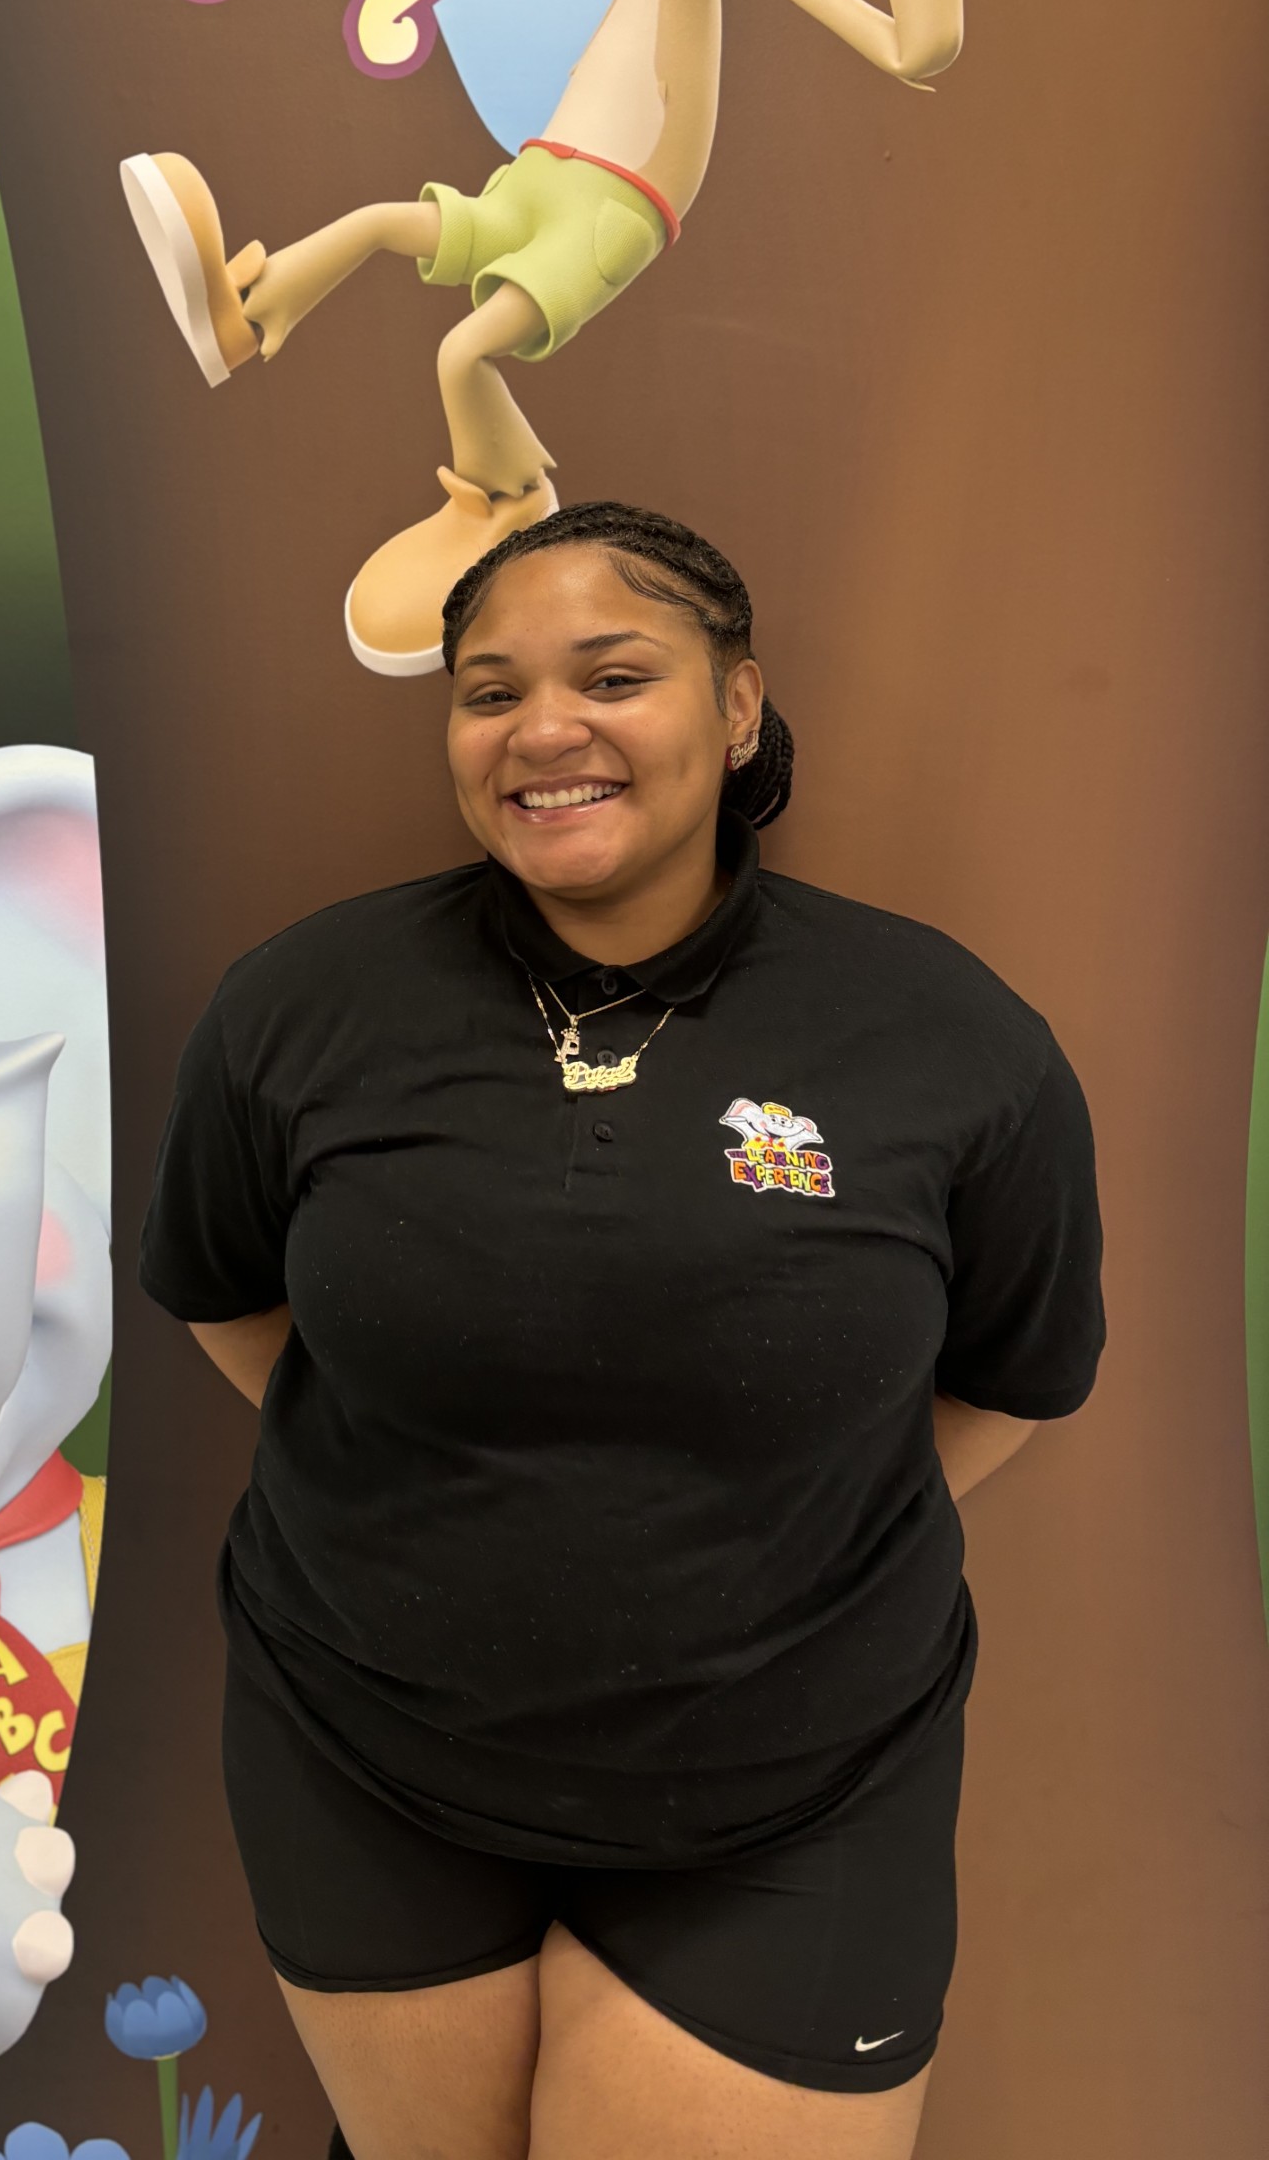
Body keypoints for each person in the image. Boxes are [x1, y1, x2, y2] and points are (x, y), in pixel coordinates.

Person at [138, 502, 1103, 2160]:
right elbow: (228, 1292)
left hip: (791, 1795)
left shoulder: (948, 1039)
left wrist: (771, 1545)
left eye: (611, 676)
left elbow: (1013, 1378)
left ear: (736, 709)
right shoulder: (298, 1007)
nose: (544, 730)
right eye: (490, 691)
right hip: (366, 1761)